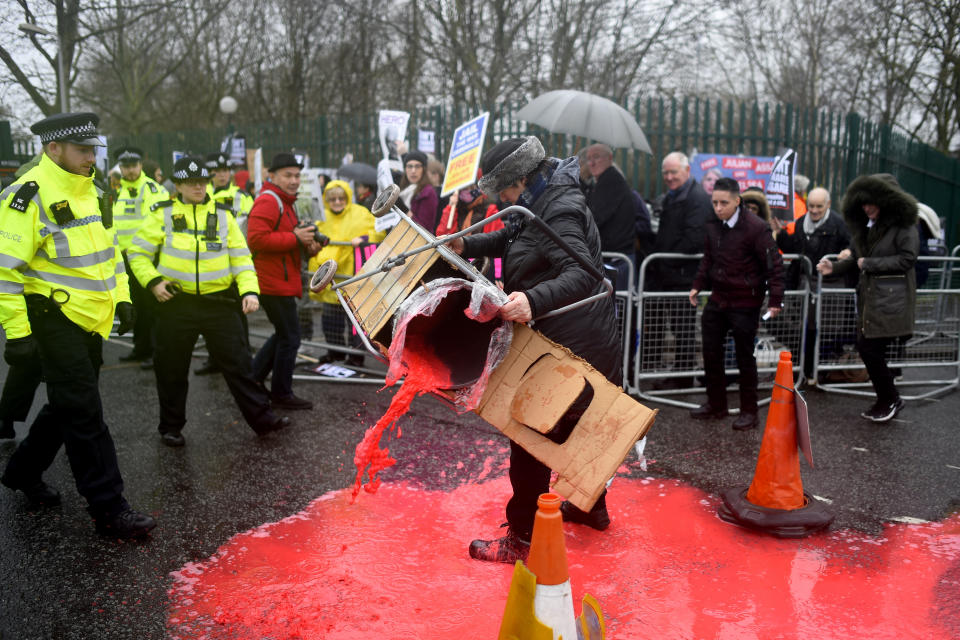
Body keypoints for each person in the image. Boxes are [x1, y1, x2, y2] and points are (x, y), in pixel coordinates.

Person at [447, 136, 621, 564]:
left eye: (504, 190)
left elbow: (584, 273)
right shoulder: (541, 198)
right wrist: (467, 245)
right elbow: (515, 233)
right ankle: (588, 507)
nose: (502, 199)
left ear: (521, 179)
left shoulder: (559, 206)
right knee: (581, 428)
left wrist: (533, 300)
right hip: (581, 336)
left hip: (573, 339)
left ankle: (521, 541)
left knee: (529, 435)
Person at [0, 112, 155, 538]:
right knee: (86, 414)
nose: (92, 158)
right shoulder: (27, 196)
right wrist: (18, 334)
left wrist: (122, 299)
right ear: (54, 149)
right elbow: (5, 272)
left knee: (65, 406)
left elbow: (110, 253)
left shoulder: (93, 191)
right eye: (83, 150)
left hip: (91, 321)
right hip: (53, 320)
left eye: (93, 149)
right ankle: (109, 508)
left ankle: (21, 472)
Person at [127, 157, 290, 446]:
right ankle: (171, 427)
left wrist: (249, 291)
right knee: (171, 368)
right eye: (191, 183)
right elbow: (137, 253)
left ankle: (264, 421)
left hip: (220, 304)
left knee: (241, 366)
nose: (199, 187)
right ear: (178, 186)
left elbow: (241, 259)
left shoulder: (223, 214)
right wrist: (153, 282)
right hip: (177, 304)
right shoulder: (162, 214)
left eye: (202, 181)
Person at [817, 174, 918, 422]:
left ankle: (890, 398)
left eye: (871, 202)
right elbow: (857, 258)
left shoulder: (903, 226)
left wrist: (868, 263)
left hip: (890, 299)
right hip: (872, 298)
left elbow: (907, 258)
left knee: (870, 349)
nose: (866, 207)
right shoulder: (869, 226)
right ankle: (886, 398)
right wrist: (835, 267)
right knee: (867, 348)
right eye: (863, 203)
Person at [689, 177, 784, 430]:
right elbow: (708, 258)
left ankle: (749, 411)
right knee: (710, 351)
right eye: (715, 202)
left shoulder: (756, 227)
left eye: (723, 203)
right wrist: (698, 284)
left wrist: (775, 299)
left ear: (737, 201)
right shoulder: (712, 223)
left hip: (745, 301)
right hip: (718, 298)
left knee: (744, 357)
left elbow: (774, 265)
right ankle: (716, 404)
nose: (718, 207)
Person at [247, 153, 321, 410]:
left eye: (297, 175)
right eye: (288, 175)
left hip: (279, 280)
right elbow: (255, 239)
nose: (294, 180)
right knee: (290, 337)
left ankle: (254, 379)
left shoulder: (284, 201)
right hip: (271, 282)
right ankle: (281, 392)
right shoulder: (269, 201)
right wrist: (295, 238)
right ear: (273, 176)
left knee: (284, 334)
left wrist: (307, 246)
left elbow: (287, 238)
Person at [642, 151, 713, 388]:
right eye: (666, 172)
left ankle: (682, 377)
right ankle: (674, 374)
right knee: (674, 326)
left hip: (682, 275)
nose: (669, 177)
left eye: (674, 172)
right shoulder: (674, 196)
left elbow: (694, 239)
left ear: (687, 171)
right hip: (670, 273)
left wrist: (665, 260)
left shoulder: (697, 198)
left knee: (682, 328)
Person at [775, 187, 852, 381]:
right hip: (805, 283)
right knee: (804, 328)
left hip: (829, 286)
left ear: (827, 205)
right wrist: (780, 233)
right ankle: (806, 367)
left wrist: (847, 252)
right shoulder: (802, 222)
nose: (815, 210)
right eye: (811, 206)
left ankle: (820, 369)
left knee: (827, 329)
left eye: (819, 206)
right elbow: (794, 247)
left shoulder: (839, 224)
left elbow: (851, 244)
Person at [193, 151, 258, 377]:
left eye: (225, 170)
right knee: (213, 317)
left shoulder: (241, 195)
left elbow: (250, 227)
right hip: (212, 265)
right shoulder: (203, 194)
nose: (221, 175)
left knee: (237, 317)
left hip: (234, 262)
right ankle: (214, 359)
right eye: (217, 171)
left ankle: (243, 358)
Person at [307, 180, 382, 365]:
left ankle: (356, 358)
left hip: (351, 278)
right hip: (329, 277)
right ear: (327, 199)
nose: (337, 202)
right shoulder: (321, 216)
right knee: (330, 321)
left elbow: (378, 232)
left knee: (354, 324)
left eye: (341, 198)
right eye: (333, 199)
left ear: (348, 198)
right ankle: (335, 352)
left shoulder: (360, 213)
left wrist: (364, 238)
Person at [112, 146, 169, 368]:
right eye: (125, 167)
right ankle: (140, 347)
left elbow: (158, 223)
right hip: (125, 259)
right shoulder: (116, 192)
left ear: (140, 165)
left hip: (147, 259)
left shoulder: (152, 189)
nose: (130, 171)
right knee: (135, 307)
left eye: (133, 166)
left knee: (153, 308)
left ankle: (156, 352)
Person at [584, 143, 637, 289]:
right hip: (614, 256)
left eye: (596, 157)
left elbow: (594, 218)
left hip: (616, 259)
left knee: (615, 306)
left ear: (610, 158)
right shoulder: (602, 182)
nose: (592, 162)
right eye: (588, 158)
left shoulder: (611, 181)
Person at [398, 150, 439, 231]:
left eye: (417, 166)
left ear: (423, 169)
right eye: (409, 166)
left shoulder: (428, 192)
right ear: (405, 169)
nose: (413, 171)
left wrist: (404, 210)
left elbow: (424, 228)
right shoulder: (402, 190)